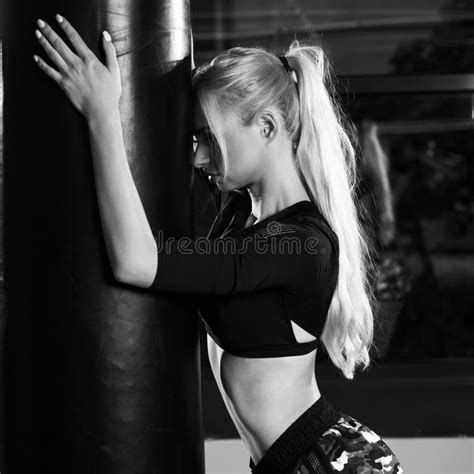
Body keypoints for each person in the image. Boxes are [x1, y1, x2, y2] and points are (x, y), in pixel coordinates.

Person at [33, 14, 404, 473]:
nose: (198, 156)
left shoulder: (301, 244)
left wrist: (103, 115)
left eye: (209, 138)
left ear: (267, 128)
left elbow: (136, 261)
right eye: (195, 139)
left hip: (329, 462)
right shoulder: (239, 215)